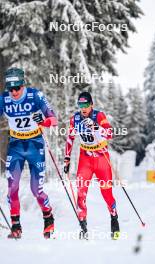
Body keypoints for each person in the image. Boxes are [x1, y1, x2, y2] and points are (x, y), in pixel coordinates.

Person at [0, 67, 57, 239]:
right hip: (16, 146)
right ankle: (16, 225)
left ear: (23, 84)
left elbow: (53, 120)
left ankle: (48, 217)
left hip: (35, 145)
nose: (14, 92)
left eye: (17, 87)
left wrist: (44, 121)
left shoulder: (35, 96)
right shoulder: (3, 99)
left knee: (36, 189)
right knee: (12, 188)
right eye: (11, 89)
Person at [64, 91, 120, 240]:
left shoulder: (98, 116)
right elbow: (70, 138)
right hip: (85, 158)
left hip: (101, 157)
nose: (83, 108)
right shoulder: (75, 119)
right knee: (81, 192)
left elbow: (109, 134)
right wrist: (67, 159)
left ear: (91, 105)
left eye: (86, 105)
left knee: (106, 193)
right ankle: (83, 226)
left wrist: (95, 127)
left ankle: (114, 219)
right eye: (80, 105)